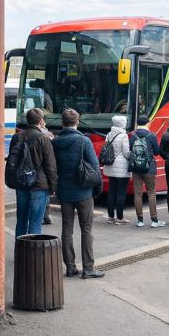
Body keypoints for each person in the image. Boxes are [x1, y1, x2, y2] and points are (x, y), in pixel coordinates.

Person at [51, 109, 104, 279]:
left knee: (67, 229)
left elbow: (53, 168)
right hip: (83, 191)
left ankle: (70, 267)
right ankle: (88, 268)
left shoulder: (55, 142)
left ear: (62, 123)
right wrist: (97, 190)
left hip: (65, 192)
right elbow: (95, 168)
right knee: (86, 229)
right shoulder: (84, 141)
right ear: (77, 122)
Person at [9, 108, 57, 237]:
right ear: (41, 121)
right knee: (35, 222)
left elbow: (12, 160)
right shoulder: (44, 139)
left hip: (21, 182)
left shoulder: (17, 137)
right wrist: (53, 186)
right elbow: (50, 166)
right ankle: (31, 256)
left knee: (21, 221)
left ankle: (19, 254)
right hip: (39, 185)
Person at [130, 115, 162, 227]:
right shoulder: (151, 135)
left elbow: (130, 149)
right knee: (151, 193)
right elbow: (157, 152)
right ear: (148, 123)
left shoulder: (133, 135)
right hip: (149, 167)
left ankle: (140, 220)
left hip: (136, 167)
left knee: (138, 193)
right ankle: (154, 220)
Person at [101, 115, 132, 224]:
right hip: (121, 167)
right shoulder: (124, 136)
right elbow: (126, 153)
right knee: (121, 192)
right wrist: (132, 155)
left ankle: (110, 217)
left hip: (110, 165)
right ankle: (120, 217)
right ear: (122, 123)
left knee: (112, 191)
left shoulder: (109, 134)